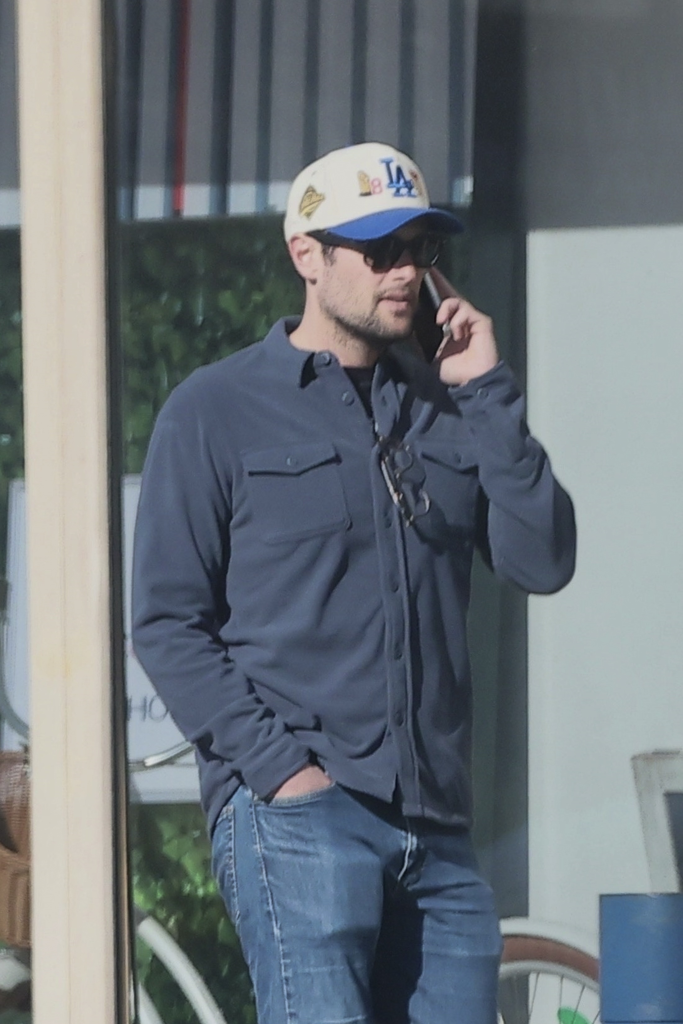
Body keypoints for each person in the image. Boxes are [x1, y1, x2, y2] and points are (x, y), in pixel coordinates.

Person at [132, 141, 576, 1024]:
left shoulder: (449, 408)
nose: (405, 272)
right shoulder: (214, 411)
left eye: (419, 249)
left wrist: (488, 392)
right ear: (309, 255)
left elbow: (542, 560)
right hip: (299, 817)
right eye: (380, 251)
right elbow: (166, 622)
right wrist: (282, 774)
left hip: (439, 831)